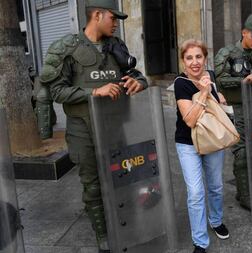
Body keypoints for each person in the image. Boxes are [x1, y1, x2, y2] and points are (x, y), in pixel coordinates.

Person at [39, 1, 148, 252]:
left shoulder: (115, 47)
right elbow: (55, 91)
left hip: (116, 126)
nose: (116, 23)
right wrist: (93, 92)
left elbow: (135, 73)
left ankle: (123, 224)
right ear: (97, 15)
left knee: (121, 177)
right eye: (113, 17)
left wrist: (138, 82)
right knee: (93, 183)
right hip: (83, 130)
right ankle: (103, 235)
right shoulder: (67, 48)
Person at [174, 39, 229, 253]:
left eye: (199, 57)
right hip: (187, 143)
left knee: (215, 186)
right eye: (189, 58)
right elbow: (189, 120)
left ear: (205, 58)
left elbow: (218, 103)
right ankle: (199, 241)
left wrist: (217, 94)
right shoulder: (181, 83)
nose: (195, 62)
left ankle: (215, 221)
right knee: (196, 192)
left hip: (213, 139)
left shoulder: (212, 77)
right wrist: (205, 92)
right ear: (183, 61)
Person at [214, 14, 252, 210]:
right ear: (244, 32)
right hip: (236, 107)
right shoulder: (227, 53)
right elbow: (220, 80)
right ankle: (246, 196)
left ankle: (242, 189)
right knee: (242, 151)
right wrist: (243, 80)